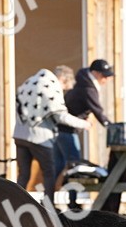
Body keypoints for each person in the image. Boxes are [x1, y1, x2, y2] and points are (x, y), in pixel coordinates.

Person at [13, 65, 90, 199]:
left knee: (23, 174)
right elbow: (60, 115)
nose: (64, 91)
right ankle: (48, 207)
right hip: (39, 136)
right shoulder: (50, 86)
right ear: (62, 78)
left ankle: (15, 204)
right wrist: (83, 123)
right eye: (65, 87)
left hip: (20, 134)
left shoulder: (30, 82)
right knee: (49, 172)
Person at [56, 58, 114, 208]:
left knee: (57, 168)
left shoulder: (83, 83)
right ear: (95, 73)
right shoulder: (88, 88)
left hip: (60, 131)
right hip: (67, 132)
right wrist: (111, 126)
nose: (106, 79)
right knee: (73, 167)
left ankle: (51, 200)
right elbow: (98, 111)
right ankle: (72, 203)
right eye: (104, 75)